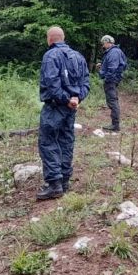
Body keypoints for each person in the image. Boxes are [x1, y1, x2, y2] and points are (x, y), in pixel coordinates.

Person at [37, 26, 90, 200]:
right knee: (66, 141)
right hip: (70, 107)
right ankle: (64, 181)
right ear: (63, 38)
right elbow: (86, 82)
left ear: (49, 39)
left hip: (55, 106)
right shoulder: (78, 56)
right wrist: (77, 98)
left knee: (48, 141)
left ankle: (54, 184)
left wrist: (66, 99)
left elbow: (52, 83)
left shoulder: (50, 56)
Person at [97, 35, 127, 132]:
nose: (103, 45)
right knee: (112, 100)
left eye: (103, 43)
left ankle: (115, 125)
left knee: (112, 101)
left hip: (111, 80)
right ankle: (115, 124)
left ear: (107, 42)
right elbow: (112, 65)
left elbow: (112, 68)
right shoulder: (115, 51)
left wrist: (107, 78)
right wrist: (102, 66)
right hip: (113, 79)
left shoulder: (113, 52)